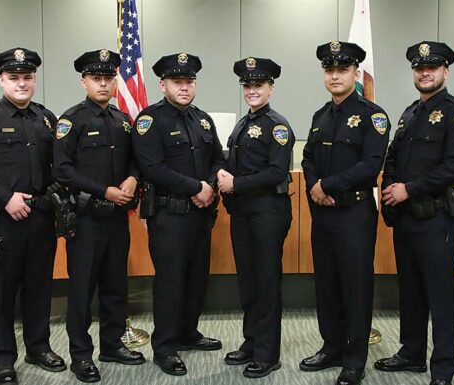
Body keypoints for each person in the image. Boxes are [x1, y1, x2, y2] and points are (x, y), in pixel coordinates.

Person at [0, 47, 64, 385]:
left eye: (27, 77)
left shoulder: (46, 118)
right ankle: (2, 359)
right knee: (1, 294)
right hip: (1, 221)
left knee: (39, 287)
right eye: (14, 77)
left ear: (34, 79)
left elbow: (57, 166)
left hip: (40, 218)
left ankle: (38, 347)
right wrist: (5, 198)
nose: (22, 83)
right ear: (1, 79)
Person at [374, 42, 454, 385]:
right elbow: (392, 158)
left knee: (440, 295)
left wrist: (408, 189)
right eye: (419, 68)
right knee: (411, 290)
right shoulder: (409, 114)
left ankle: (443, 368)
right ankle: (412, 352)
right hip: (406, 219)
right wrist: (388, 192)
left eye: (432, 68)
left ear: (446, 71)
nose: (425, 73)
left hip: (437, 220)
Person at [300, 41, 390, 385]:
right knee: (326, 282)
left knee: (355, 285)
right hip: (323, 213)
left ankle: (355, 358)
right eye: (329, 70)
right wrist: (313, 186)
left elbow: (370, 165)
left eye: (342, 69)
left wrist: (328, 186)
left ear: (356, 73)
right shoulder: (321, 115)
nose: (335, 75)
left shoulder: (373, 115)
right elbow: (308, 158)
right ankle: (331, 346)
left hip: (354, 213)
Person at [53, 49, 145, 383]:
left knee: (115, 285)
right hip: (86, 217)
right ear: (84, 81)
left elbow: (136, 159)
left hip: (117, 218)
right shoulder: (71, 120)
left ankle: (112, 344)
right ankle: (81, 355)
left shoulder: (123, 120)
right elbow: (62, 170)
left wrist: (133, 177)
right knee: (81, 290)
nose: (103, 84)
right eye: (96, 78)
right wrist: (103, 190)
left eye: (108, 78)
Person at [131, 52, 225, 376]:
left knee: (196, 279)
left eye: (189, 81)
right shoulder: (149, 121)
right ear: (162, 84)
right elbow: (152, 168)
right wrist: (196, 188)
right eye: (177, 81)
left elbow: (218, 158)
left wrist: (210, 186)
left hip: (200, 215)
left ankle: (189, 333)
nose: (184, 87)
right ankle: (165, 347)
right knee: (170, 282)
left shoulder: (202, 119)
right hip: (168, 216)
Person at [217, 57, 294, 378]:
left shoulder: (277, 125)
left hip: (268, 212)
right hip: (244, 213)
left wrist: (235, 183)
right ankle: (251, 342)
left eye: (258, 85)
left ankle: (267, 352)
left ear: (270, 88)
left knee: (265, 282)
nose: (252, 90)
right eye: (247, 85)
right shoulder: (244, 123)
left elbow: (277, 171)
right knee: (248, 281)